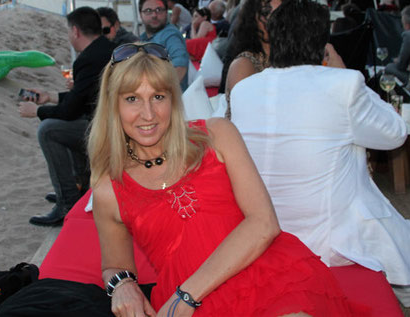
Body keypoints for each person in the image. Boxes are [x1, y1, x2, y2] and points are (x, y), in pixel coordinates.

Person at [231, 0, 410, 317]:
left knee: (407, 235)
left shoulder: (245, 90)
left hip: (263, 227)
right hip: (326, 236)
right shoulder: (340, 84)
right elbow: (394, 133)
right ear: (321, 42)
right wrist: (343, 71)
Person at [88, 43, 355, 316]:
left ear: (173, 98)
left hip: (265, 276)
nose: (148, 114)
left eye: (158, 96)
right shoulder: (109, 189)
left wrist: (187, 295)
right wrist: (123, 285)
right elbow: (115, 265)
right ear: (113, 104)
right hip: (190, 306)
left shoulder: (217, 135)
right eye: (132, 98)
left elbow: (264, 223)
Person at [18, 7, 115, 226]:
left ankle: (67, 201)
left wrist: (38, 112)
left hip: (108, 130)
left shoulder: (88, 58)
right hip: (108, 122)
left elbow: (72, 109)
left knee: (49, 130)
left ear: (75, 31)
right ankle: (78, 186)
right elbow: (84, 97)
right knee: (69, 124)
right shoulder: (105, 49)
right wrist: (50, 97)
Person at [219, 0, 286, 118]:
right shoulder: (244, 64)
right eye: (266, 13)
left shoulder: (289, 58)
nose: (274, 19)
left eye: (280, 13)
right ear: (253, 20)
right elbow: (242, 118)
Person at [138, 0, 189, 91]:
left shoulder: (170, 36)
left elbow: (181, 66)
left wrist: (158, 93)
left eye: (159, 10)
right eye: (148, 11)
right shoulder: (145, 37)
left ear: (166, 12)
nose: (154, 15)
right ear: (141, 14)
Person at [384, 5, 410, 82]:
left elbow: (401, 66)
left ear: (407, 25)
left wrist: (398, 60)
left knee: (389, 67)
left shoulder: (409, 35)